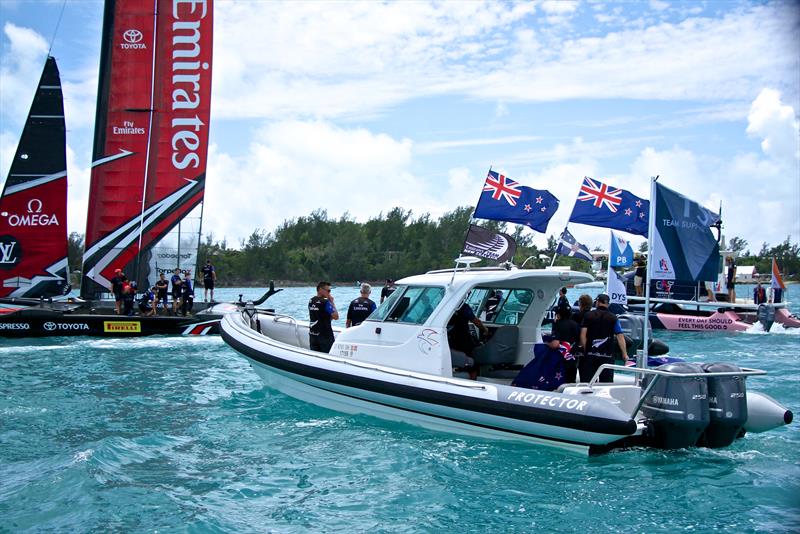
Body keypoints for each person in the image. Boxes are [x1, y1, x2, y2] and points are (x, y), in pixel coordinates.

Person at [579, 293, 628, 383]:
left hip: (590, 355)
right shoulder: (614, 318)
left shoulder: (588, 315)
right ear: (608, 304)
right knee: (605, 384)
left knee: (586, 383)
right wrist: (624, 354)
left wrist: (586, 349)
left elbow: (583, 335)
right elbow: (620, 336)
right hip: (607, 356)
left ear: (597, 302)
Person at [448, 301, 487, 380]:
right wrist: (485, 329)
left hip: (449, 340)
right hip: (463, 339)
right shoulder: (464, 307)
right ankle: (473, 380)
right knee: (473, 362)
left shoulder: (445, 305)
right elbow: (476, 321)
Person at [549, 306, 580, 383]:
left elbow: (555, 344)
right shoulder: (576, 324)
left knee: (559, 381)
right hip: (573, 358)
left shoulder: (557, 324)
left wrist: (547, 344)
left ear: (559, 315)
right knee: (571, 380)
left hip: (560, 359)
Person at [309, 281, 339, 353]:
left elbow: (320, 315)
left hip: (313, 335)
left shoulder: (311, 300)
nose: (329, 293)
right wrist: (332, 302)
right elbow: (336, 316)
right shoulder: (325, 302)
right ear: (320, 289)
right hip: (325, 336)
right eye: (328, 291)